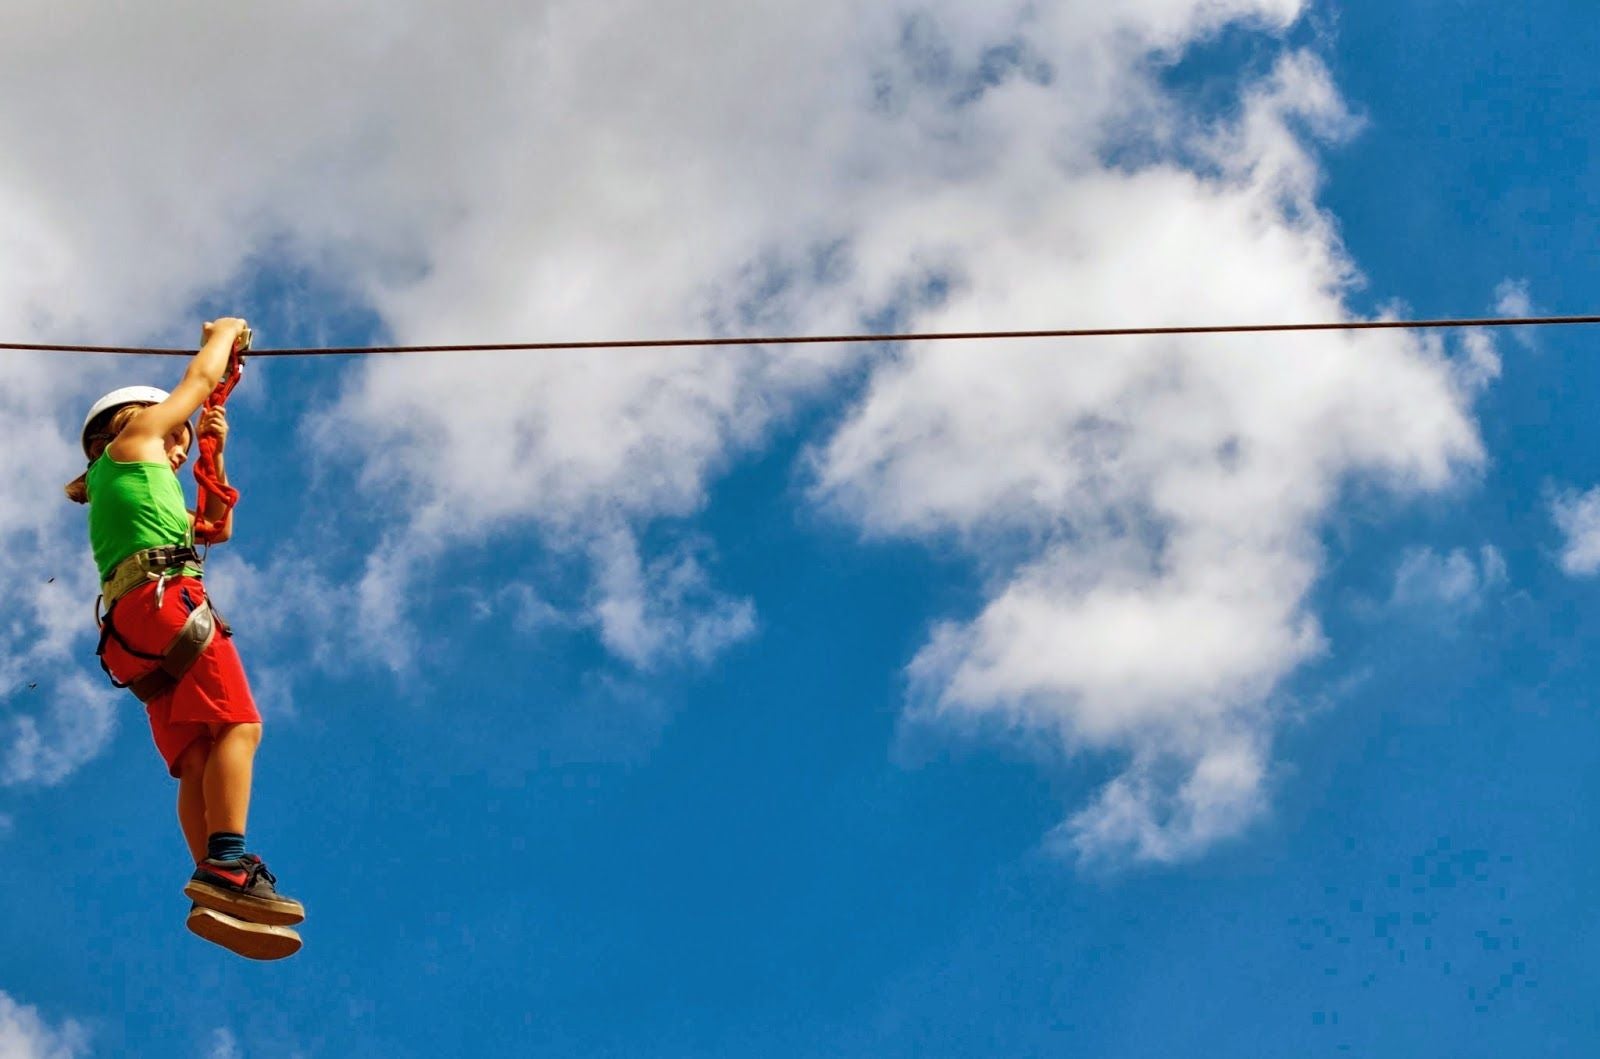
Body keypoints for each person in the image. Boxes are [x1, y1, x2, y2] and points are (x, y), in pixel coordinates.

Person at [65, 317, 304, 961]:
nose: (179, 447)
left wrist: (213, 454)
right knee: (239, 727)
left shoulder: (139, 486)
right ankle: (228, 862)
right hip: (167, 604)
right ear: (133, 422)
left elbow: (216, 528)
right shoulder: (131, 445)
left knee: (197, 753)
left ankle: (211, 884)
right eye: (178, 435)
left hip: (134, 630)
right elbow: (198, 379)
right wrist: (222, 335)